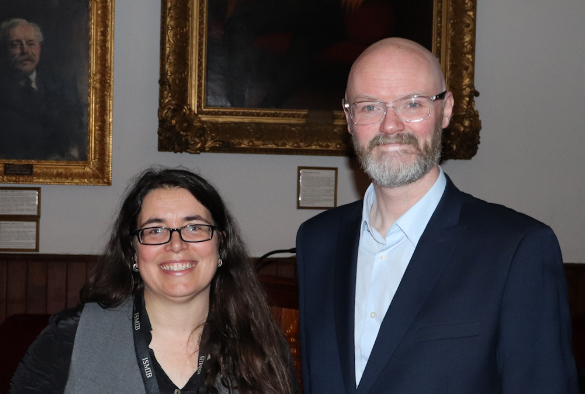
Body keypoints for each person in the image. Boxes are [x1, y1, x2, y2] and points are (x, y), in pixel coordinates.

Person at [296, 37, 579, 393]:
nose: (390, 126)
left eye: (412, 104)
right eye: (370, 107)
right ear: (349, 118)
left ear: (445, 111)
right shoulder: (317, 240)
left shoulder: (516, 249)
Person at [10, 167, 298, 394]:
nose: (176, 244)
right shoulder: (71, 336)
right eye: (156, 230)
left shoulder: (262, 347)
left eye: (194, 227)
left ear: (220, 245)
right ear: (133, 251)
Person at [0, 18, 85, 161]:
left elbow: (74, 134)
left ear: (39, 47)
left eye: (31, 44)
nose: (25, 51)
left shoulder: (63, 87)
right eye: (16, 45)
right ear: (4, 50)